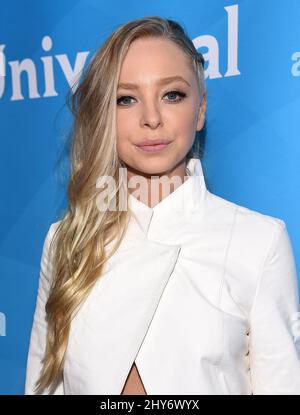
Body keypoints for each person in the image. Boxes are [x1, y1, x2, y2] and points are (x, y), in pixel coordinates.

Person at [24, 16, 300, 395]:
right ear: (104, 114)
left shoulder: (259, 241)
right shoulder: (65, 241)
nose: (151, 119)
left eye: (172, 95)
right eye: (126, 99)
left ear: (200, 109)